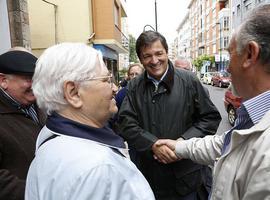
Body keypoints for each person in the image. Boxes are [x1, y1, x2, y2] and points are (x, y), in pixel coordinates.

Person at [156, 4, 270, 200]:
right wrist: (178, 146)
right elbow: (224, 143)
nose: (228, 70)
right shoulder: (254, 118)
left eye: (230, 54)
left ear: (250, 54)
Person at [25, 43, 155, 200]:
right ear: (73, 93)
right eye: (106, 80)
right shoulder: (98, 168)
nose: (114, 88)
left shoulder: (49, 143)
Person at [116, 30, 221, 200]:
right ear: (141, 59)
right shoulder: (134, 86)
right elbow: (126, 123)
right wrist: (153, 144)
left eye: (159, 53)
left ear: (167, 52)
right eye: (147, 56)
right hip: (149, 179)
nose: (154, 60)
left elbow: (210, 118)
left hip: (187, 179)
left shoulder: (189, 81)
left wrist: (182, 143)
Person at [0, 48, 46, 200]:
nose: (35, 85)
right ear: (3, 81)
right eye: (28, 78)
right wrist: (38, 193)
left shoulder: (43, 107)